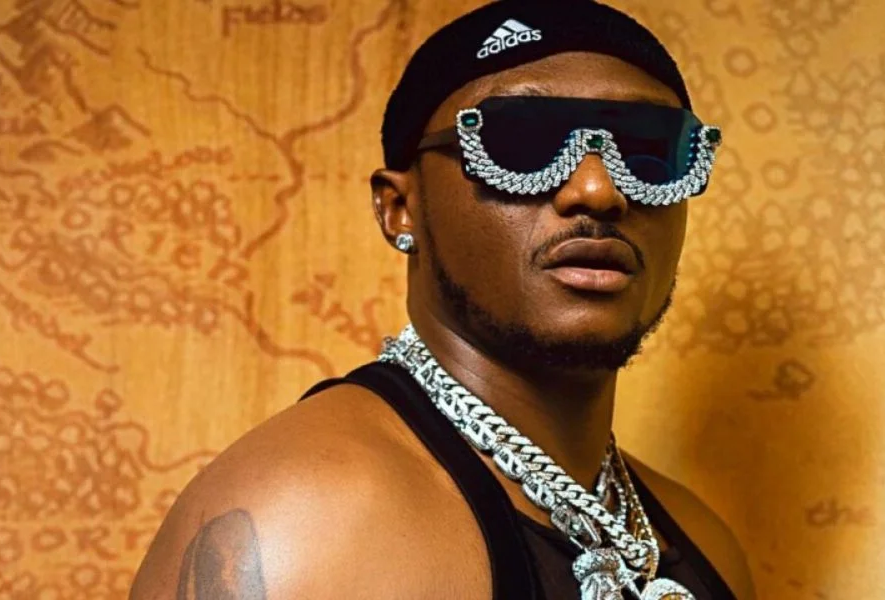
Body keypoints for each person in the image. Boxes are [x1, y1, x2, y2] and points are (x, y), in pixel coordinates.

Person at [131, 1, 756, 598]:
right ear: (400, 207)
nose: (597, 189)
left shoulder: (701, 542)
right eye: (521, 142)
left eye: (649, 150)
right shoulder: (310, 518)